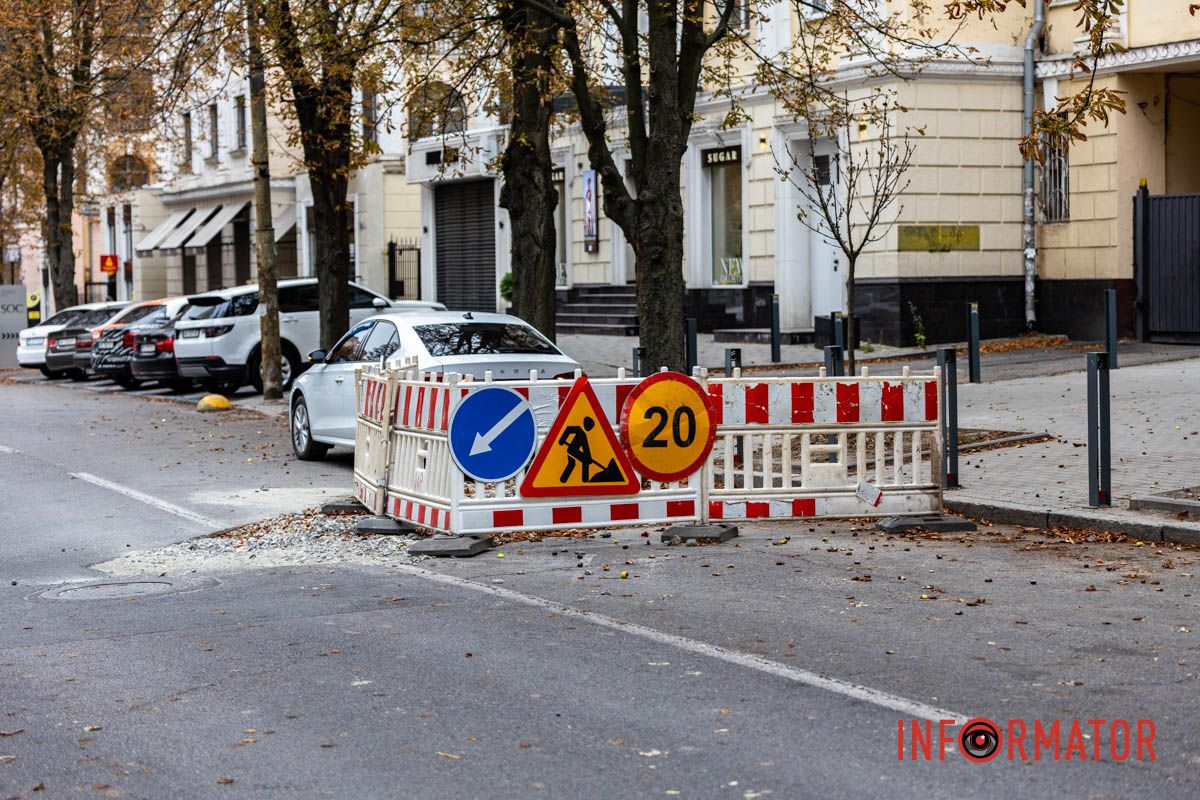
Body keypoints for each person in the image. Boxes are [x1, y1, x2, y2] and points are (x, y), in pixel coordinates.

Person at [559, 416, 596, 483]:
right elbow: (568, 429)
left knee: (573, 463)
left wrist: (589, 457)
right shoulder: (579, 430)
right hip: (572, 450)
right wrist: (562, 439)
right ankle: (585, 480)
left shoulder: (583, 435)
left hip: (573, 451)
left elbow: (586, 448)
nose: (590, 428)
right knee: (580, 462)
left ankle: (563, 480)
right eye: (590, 426)